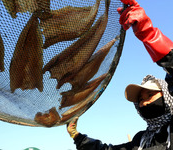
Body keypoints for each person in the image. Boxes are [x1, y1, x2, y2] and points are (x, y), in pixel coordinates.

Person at [66, 0, 173, 149]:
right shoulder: (140, 141)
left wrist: (148, 33)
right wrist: (77, 136)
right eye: (140, 99)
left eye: (150, 95)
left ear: (167, 96)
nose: (145, 103)